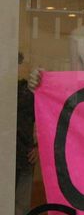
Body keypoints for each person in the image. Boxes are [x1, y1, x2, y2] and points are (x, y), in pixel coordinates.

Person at [15, 52, 35, 215]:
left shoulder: (26, 91)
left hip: (24, 157)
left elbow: (45, 118)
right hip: (7, 159)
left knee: (20, 209)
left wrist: (38, 146)